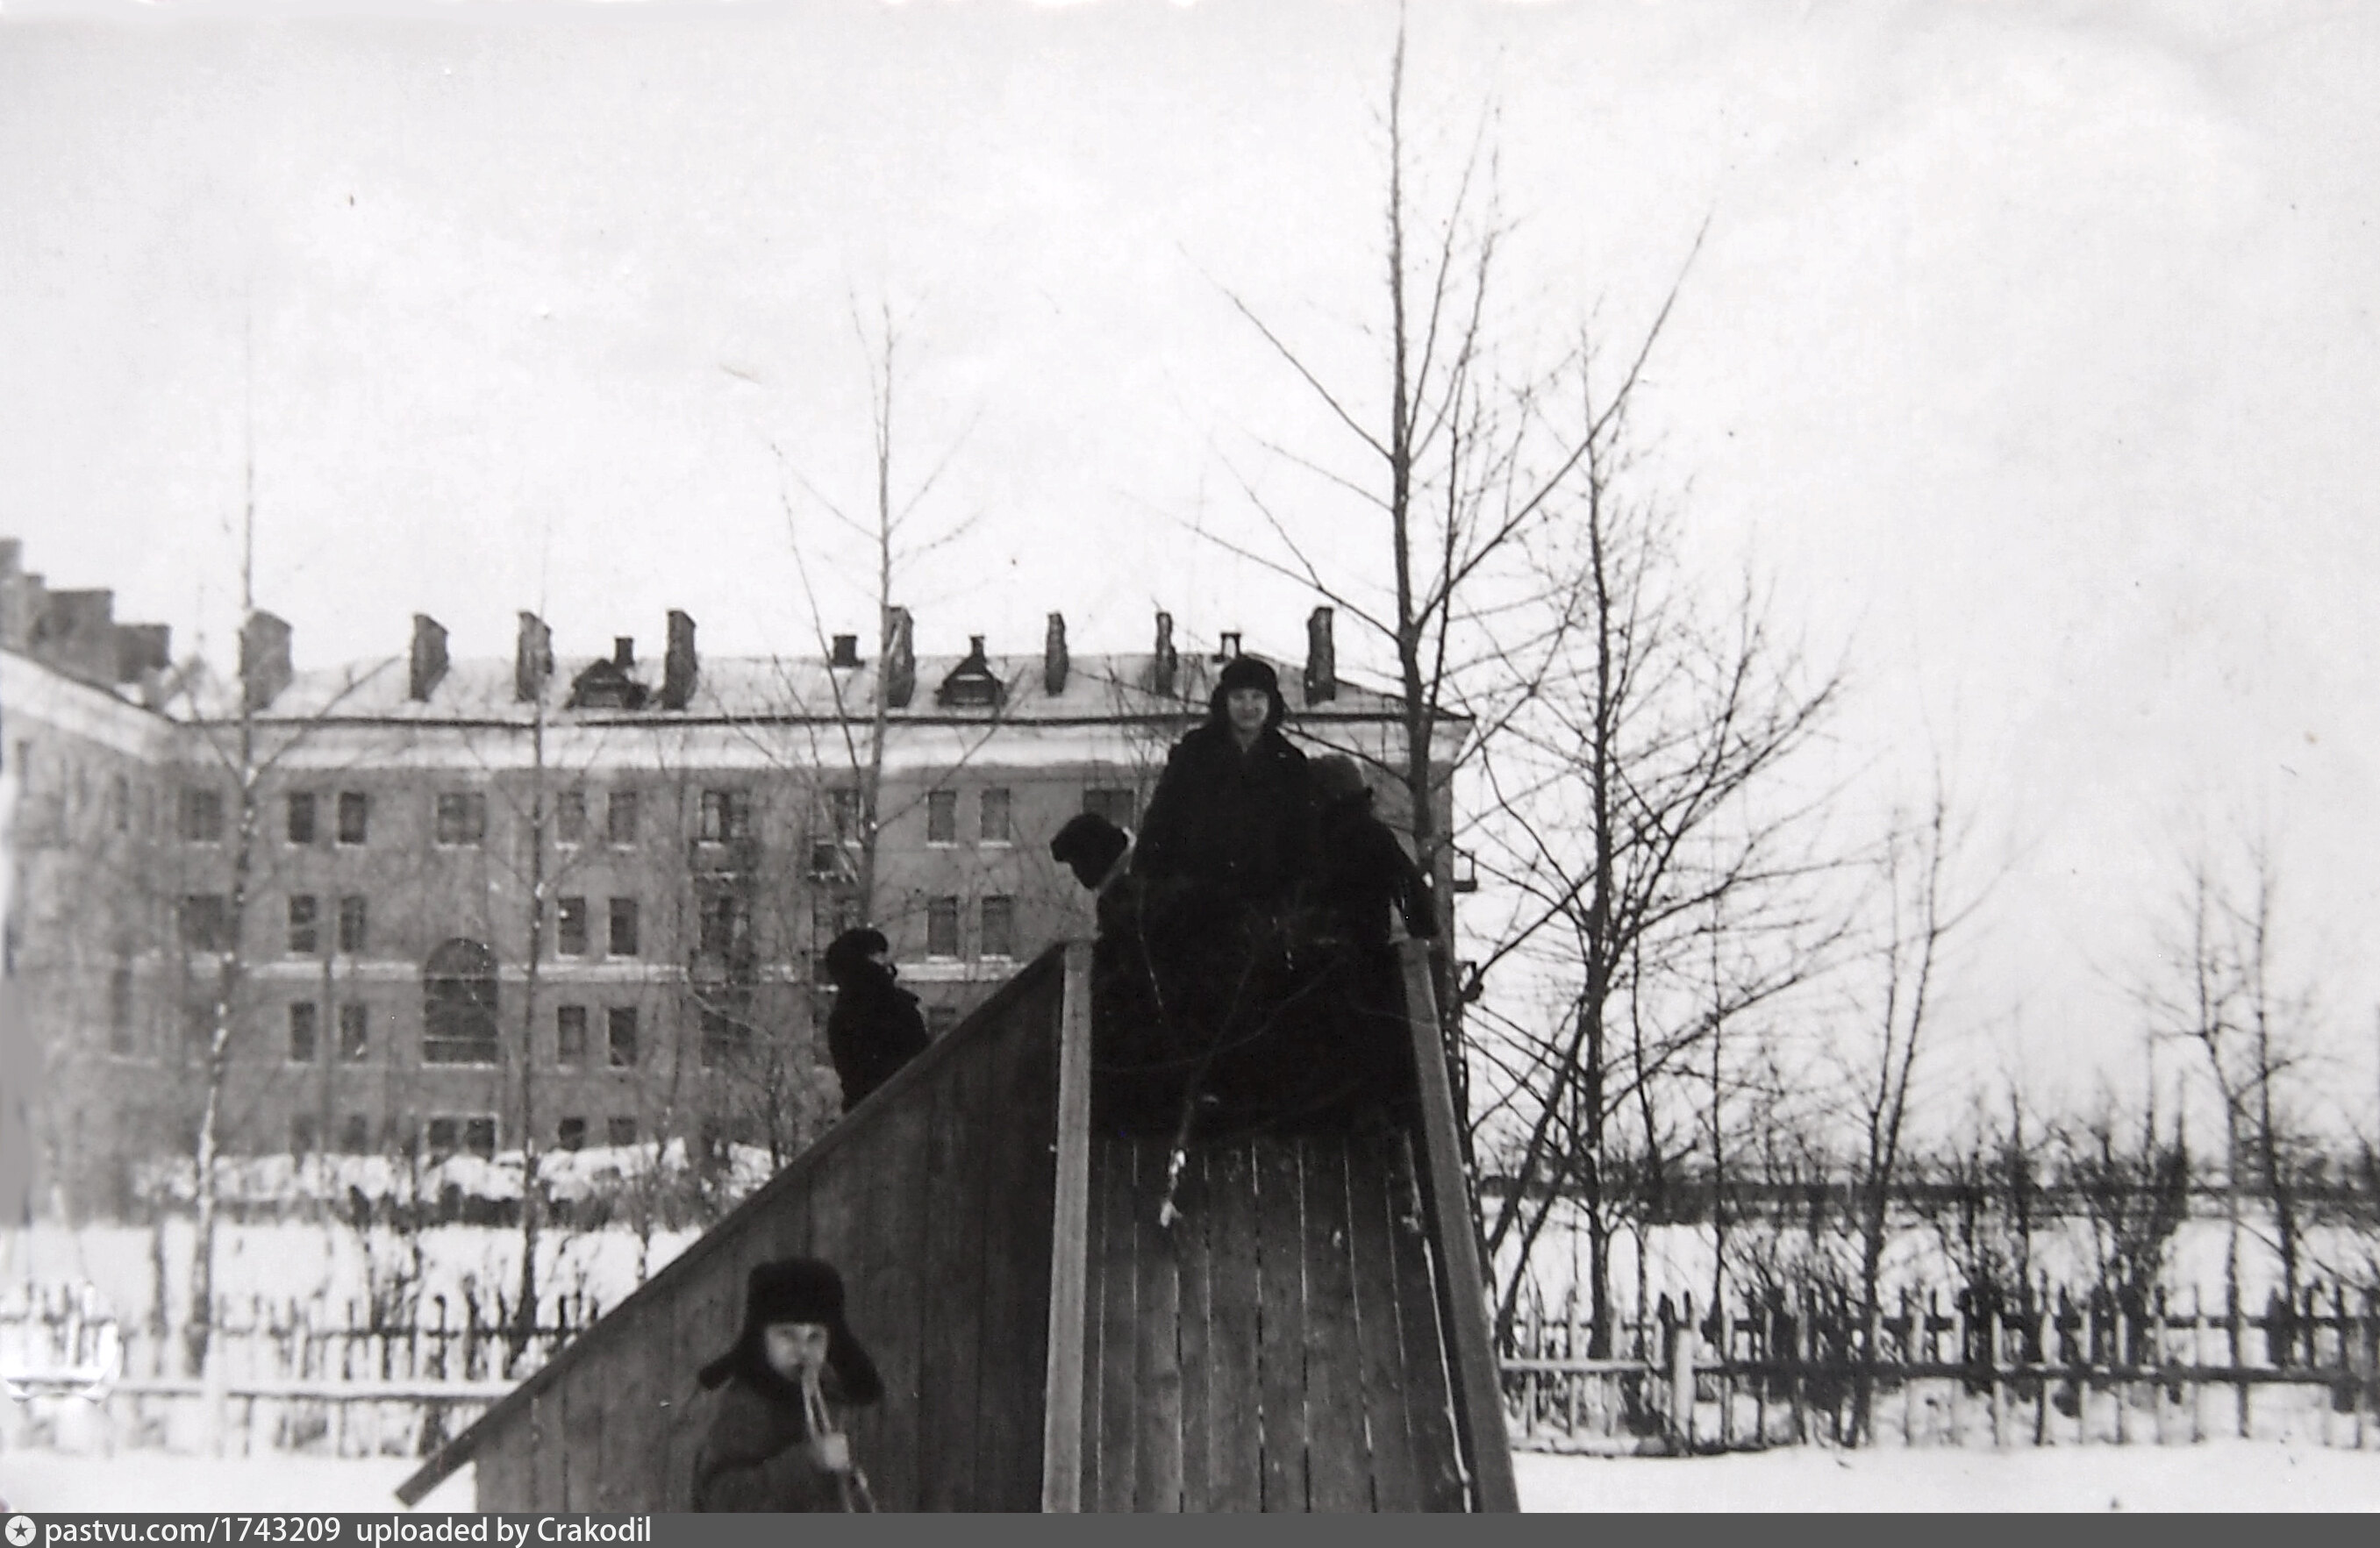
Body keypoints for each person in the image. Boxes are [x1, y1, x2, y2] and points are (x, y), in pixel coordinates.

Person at [692, 1258, 884, 1512]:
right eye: (787, 1335)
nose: (803, 1350)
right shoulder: (746, 1405)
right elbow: (723, 1501)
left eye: (815, 1336)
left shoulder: (830, 1398)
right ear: (761, 1338)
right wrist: (808, 1463)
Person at [822, 927, 929, 1114]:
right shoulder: (898, 1009)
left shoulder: (842, 1016)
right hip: (904, 1112)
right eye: (878, 955)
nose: (887, 961)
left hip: (864, 1120)